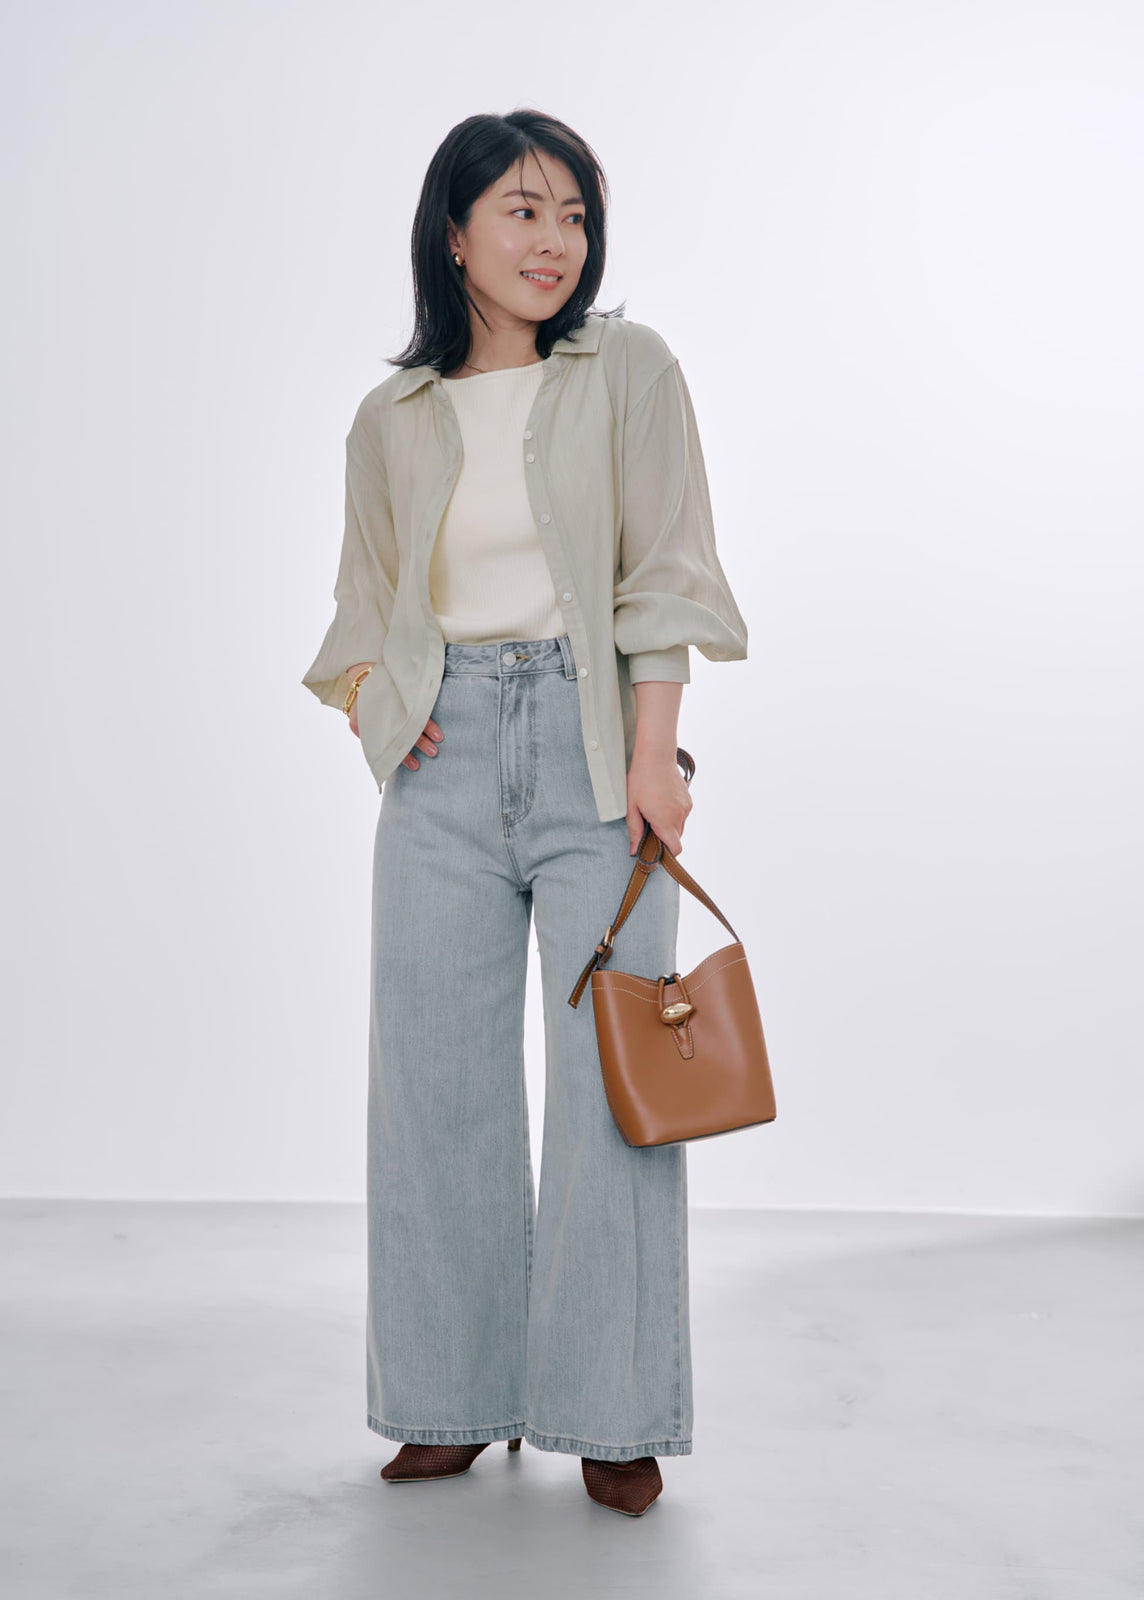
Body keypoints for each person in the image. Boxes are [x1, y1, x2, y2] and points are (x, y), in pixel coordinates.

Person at [302, 110, 748, 1517]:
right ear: (454, 233)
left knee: (618, 1082)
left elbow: (666, 570)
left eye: (573, 214)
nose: (554, 241)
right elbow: (364, 603)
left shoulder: (629, 370)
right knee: (434, 1082)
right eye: (522, 210)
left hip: (592, 744)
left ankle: (612, 1410)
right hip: (437, 765)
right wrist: (384, 710)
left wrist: (656, 758)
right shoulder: (392, 417)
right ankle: (450, 1397)